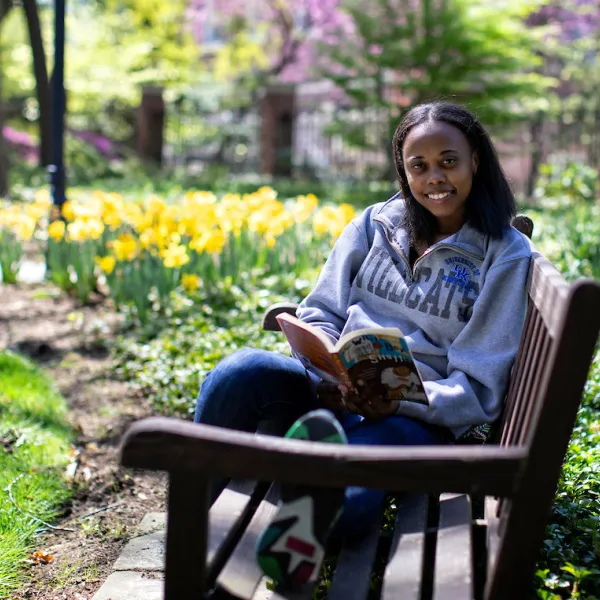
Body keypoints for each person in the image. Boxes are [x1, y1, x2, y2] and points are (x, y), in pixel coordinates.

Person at [193, 101, 532, 588]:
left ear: (476, 160)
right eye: (420, 165)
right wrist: (327, 372)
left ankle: (300, 518)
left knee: (348, 491)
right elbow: (321, 311)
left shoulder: (503, 253)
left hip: (413, 417)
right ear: (404, 170)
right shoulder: (375, 224)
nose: (435, 177)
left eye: (449, 160)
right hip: (336, 389)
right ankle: (206, 524)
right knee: (240, 372)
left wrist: (397, 399)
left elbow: (478, 387)